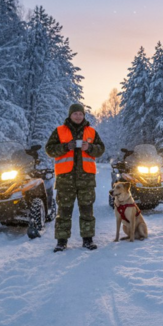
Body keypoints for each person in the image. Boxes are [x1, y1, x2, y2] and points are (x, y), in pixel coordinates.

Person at [45, 103, 105, 252]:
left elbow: (101, 149)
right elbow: (49, 150)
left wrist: (89, 148)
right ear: (70, 115)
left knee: (87, 210)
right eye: (75, 114)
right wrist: (66, 147)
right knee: (64, 211)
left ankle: (88, 240)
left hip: (86, 180)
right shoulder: (59, 131)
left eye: (80, 114)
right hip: (66, 179)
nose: (78, 116)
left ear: (84, 115)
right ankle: (61, 241)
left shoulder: (91, 131)